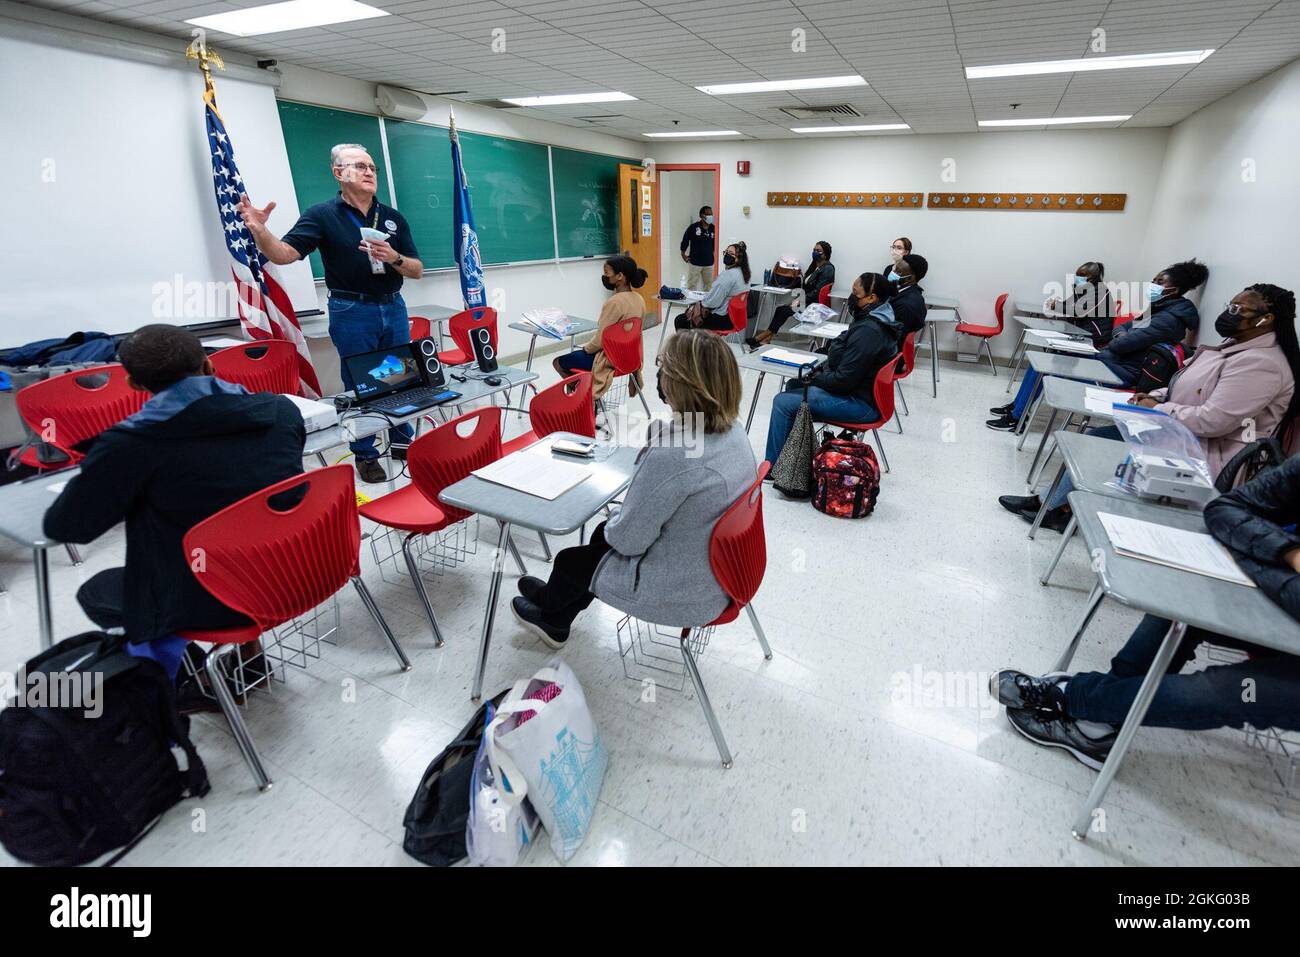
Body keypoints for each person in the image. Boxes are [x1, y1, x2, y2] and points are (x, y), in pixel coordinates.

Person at [990, 452, 1300, 768]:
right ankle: (1099, 726)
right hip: (1279, 596)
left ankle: (1069, 695)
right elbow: (1224, 509)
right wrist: (1287, 552)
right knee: (1184, 600)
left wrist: (1253, 554)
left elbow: (1213, 420)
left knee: (1232, 691)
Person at [43, 325, 306, 678]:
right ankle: (246, 661)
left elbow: (67, 526)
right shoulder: (280, 411)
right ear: (210, 366)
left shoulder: (131, 444)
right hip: (298, 569)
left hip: (216, 597)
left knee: (98, 591)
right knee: (231, 535)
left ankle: (187, 682)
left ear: (135, 385)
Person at [509, 331, 757, 645]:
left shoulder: (675, 455)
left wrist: (623, 507)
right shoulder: (732, 432)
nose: (659, 375)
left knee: (575, 558)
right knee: (599, 539)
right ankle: (554, 609)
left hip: (682, 591)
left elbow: (628, 541)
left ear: (678, 383)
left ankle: (550, 613)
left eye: (663, 367)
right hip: (724, 574)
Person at [999, 283, 1299, 532]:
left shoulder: (1262, 364)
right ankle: (1053, 503)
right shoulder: (1230, 347)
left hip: (1209, 454)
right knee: (1098, 436)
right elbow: (1180, 382)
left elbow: (1214, 421)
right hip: (1182, 431)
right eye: (1229, 305)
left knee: (1104, 442)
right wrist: (1154, 394)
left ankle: (1054, 506)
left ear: (1266, 319)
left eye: (1237, 309)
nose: (1228, 313)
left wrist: (1159, 410)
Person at [237, 143, 424, 484]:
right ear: (339, 173)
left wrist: (394, 257)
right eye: (359, 166)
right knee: (361, 383)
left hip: (392, 305)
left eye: (372, 167)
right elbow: (284, 254)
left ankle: (401, 439)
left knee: (401, 377)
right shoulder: (322, 215)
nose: (369, 172)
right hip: (352, 308)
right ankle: (366, 453)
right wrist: (261, 231)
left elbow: (416, 270)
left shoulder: (393, 217)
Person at [764, 272, 900, 465]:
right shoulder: (878, 317)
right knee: (794, 384)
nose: (851, 297)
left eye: (856, 293)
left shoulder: (869, 331)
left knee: (782, 402)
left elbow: (843, 381)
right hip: (861, 394)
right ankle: (793, 459)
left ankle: (774, 466)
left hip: (860, 404)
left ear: (872, 297)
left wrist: (813, 376)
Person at [987, 261, 1117, 431]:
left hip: (1092, 348)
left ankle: (1017, 417)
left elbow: (1077, 311)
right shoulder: (1083, 290)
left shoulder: (1099, 292)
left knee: (1043, 368)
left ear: (1092, 277)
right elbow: (1069, 307)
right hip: (1079, 340)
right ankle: (1017, 406)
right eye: (1077, 274)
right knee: (1037, 364)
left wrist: (1057, 305)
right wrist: (1059, 305)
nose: (1077, 278)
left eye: (1081, 275)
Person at [1096, 259, 1208, 388]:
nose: (1153, 284)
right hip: (1113, 361)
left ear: (1173, 290)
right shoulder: (1159, 308)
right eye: (1154, 280)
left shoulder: (1168, 320)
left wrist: (1122, 336)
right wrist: (1123, 334)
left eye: (1160, 282)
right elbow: (1121, 327)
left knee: (1071, 371)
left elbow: (1119, 345)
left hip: (1124, 372)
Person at [553, 254, 648, 400]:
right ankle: (583, 394)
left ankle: (583, 397)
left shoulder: (614, 302)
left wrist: (586, 349)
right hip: (630, 358)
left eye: (607, 273)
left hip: (610, 359)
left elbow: (600, 341)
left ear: (620, 276)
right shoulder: (639, 299)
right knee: (577, 356)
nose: (605, 277)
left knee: (559, 362)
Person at [748, 240, 835, 347]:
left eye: (818, 251)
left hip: (815, 306)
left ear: (825, 254)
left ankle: (762, 336)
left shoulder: (828, 269)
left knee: (784, 310)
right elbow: (805, 286)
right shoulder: (815, 267)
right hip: (806, 301)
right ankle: (767, 339)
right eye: (814, 250)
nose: (815, 252)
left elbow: (817, 292)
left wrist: (799, 300)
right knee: (781, 309)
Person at [675, 241, 750, 332]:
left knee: (680, 320)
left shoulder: (728, 275)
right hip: (735, 319)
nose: (727, 255)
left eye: (731, 254)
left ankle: (686, 345)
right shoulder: (743, 274)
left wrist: (700, 303)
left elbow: (712, 303)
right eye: (726, 252)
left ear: (738, 259)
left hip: (722, 320)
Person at [889, 253, 929, 338]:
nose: (893, 273)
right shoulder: (906, 292)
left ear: (910, 278)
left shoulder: (906, 305)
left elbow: (896, 338)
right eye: (895, 269)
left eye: (898, 272)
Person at [680, 205, 716, 292]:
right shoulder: (693, 227)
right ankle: (692, 305)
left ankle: (706, 305)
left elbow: (716, 245)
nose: (710, 216)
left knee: (709, 287)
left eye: (711, 214)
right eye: (708, 214)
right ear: (701, 216)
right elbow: (685, 240)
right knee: (691, 286)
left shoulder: (713, 229)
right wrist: (683, 254)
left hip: (709, 263)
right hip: (695, 263)